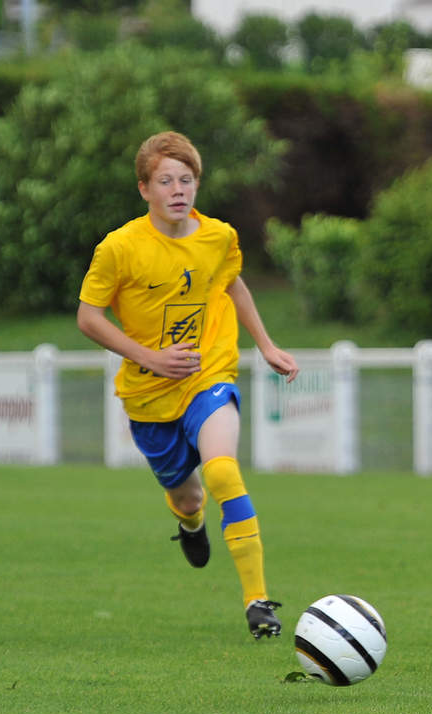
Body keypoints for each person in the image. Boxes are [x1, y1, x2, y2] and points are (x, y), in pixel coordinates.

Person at [77, 131, 299, 639]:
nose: (178, 189)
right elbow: (88, 317)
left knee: (223, 471)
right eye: (165, 180)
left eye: (187, 179)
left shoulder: (218, 236)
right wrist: (149, 357)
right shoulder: (119, 248)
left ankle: (258, 602)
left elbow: (233, 282)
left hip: (209, 374)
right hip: (147, 396)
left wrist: (264, 344)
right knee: (190, 498)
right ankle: (191, 524)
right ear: (144, 189)